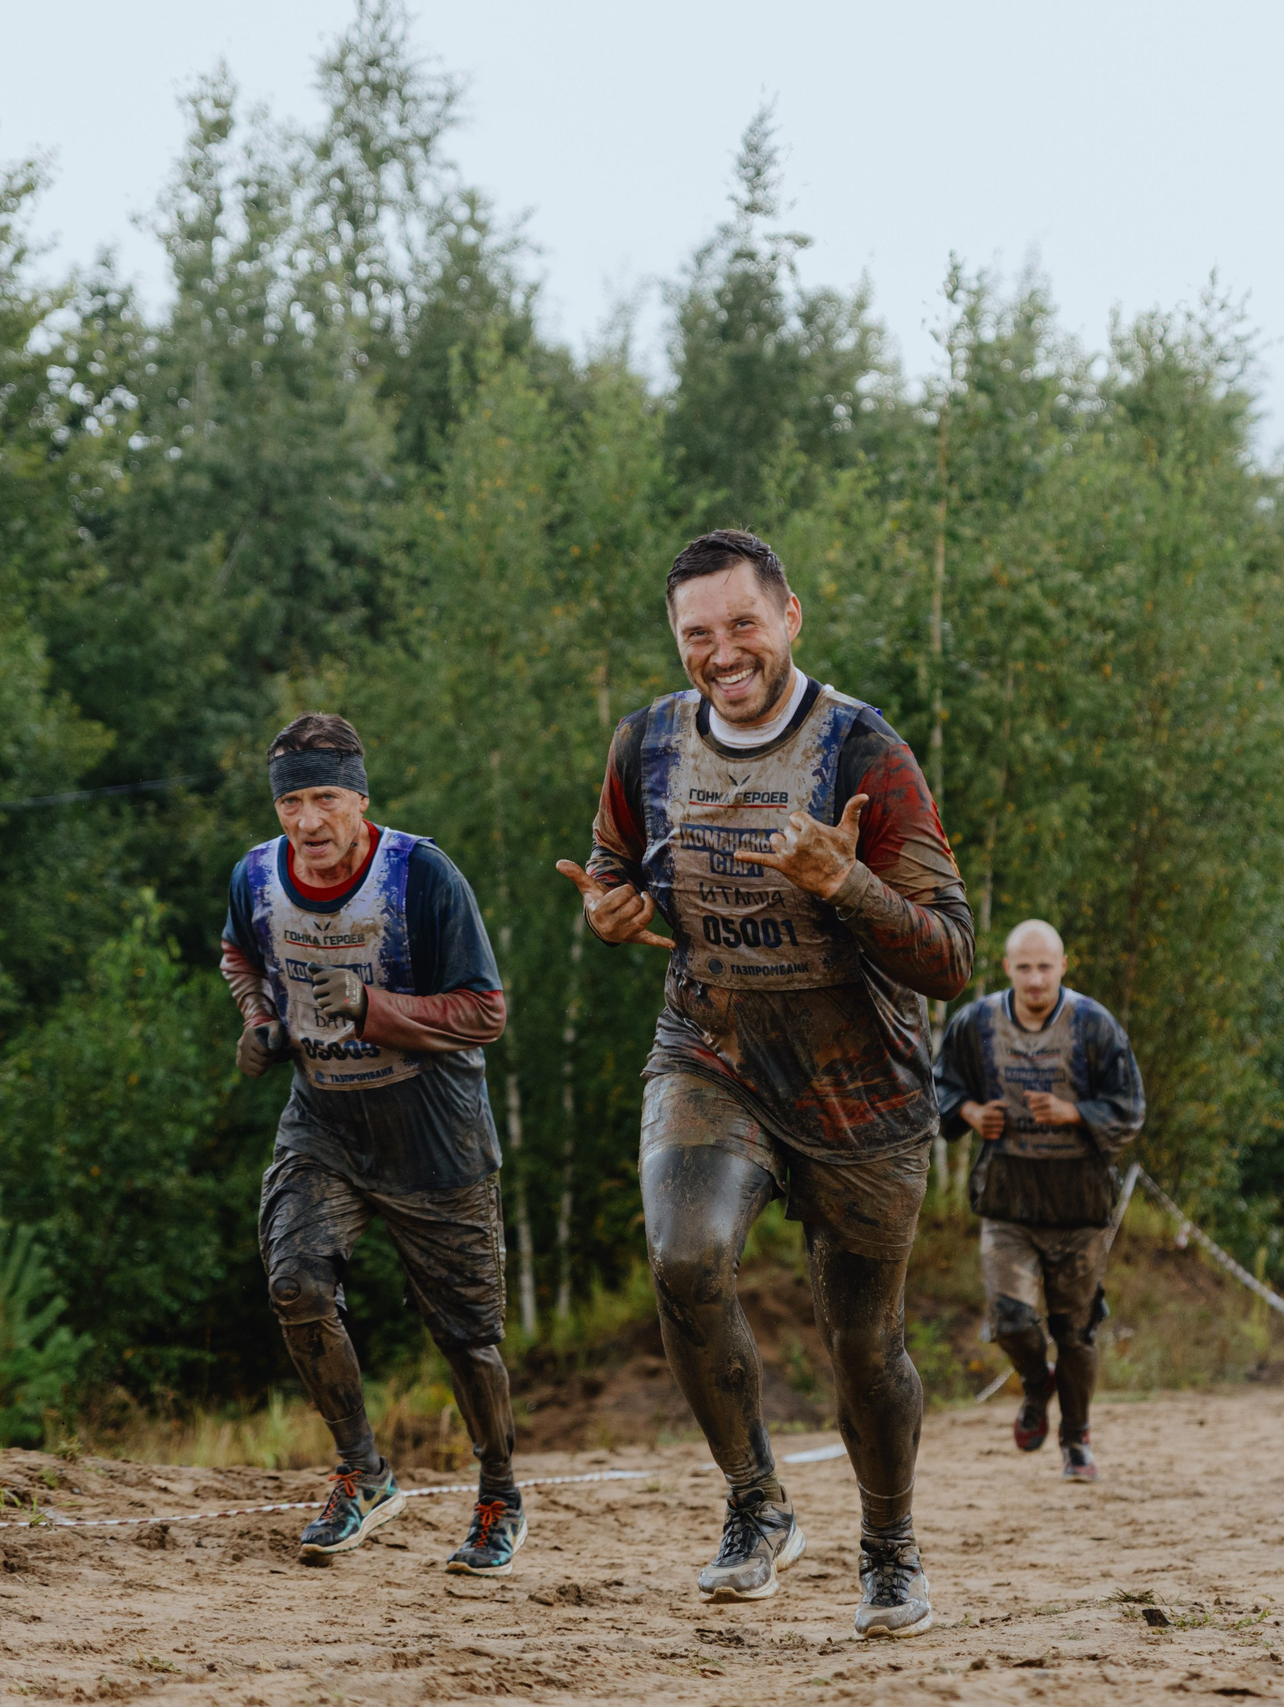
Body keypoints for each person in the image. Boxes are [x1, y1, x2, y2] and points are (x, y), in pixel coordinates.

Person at [557, 528, 972, 1639]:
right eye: (698, 634)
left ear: (790, 617)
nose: (722, 651)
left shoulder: (862, 753)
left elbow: (948, 954)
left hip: (860, 1085)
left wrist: (848, 884)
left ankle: (889, 1548)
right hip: (713, 1051)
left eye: (742, 624)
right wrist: (608, 910)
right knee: (683, 1257)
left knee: (862, 1343)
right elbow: (612, 868)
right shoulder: (645, 742)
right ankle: (757, 1505)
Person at [221, 714, 525, 1573]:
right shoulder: (254, 874)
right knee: (294, 1279)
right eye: (291, 802)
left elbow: (486, 1011)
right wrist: (259, 1020)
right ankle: (363, 1473)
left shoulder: (421, 876)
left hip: (434, 1128)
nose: (308, 822)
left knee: (465, 1332)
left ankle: (498, 1491)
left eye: (324, 798)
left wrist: (372, 1009)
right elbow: (241, 955)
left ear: (360, 797)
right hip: (326, 1123)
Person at [935, 920, 1146, 1484]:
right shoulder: (975, 1023)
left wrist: (1075, 1112)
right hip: (1008, 1198)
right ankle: (1035, 1384)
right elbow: (936, 1088)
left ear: (1063, 967)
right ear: (1007, 968)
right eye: (1023, 967)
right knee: (1010, 1320)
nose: (1034, 979)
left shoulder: (1095, 1025)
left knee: (1075, 1330)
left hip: (1079, 1205)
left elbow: (1131, 1107)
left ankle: (1076, 1441)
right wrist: (971, 1114)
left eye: (1044, 967)